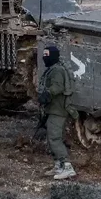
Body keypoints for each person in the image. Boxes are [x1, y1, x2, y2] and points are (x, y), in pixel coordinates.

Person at [37, 44, 76, 180]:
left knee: (55, 138)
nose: (44, 57)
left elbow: (58, 87)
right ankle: (58, 166)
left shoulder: (57, 70)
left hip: (58, 110)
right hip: (52, 109)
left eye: (46, 55)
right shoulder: (52, 69)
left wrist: (46, 95)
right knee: (51, 137)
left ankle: (67, 167)